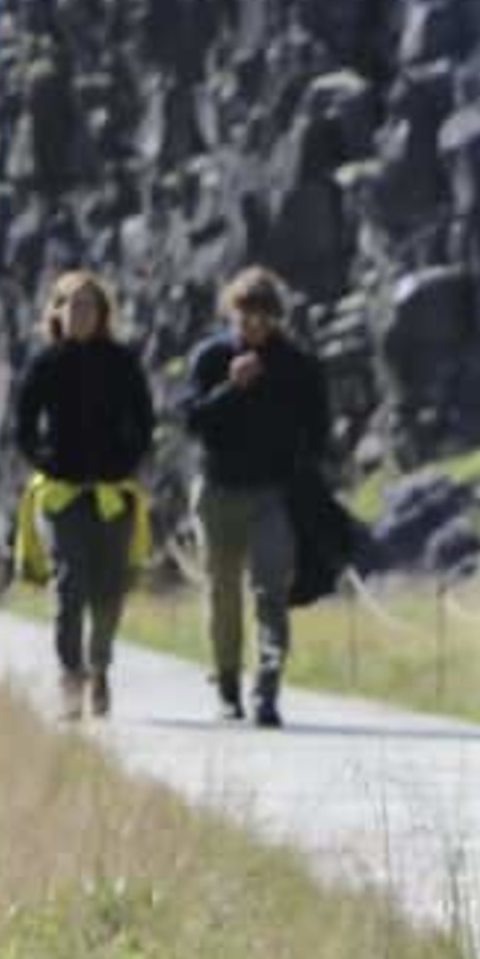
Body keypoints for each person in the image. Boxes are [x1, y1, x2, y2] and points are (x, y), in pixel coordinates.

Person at [183, 266, 331, 727]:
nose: (254, 324)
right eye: (245, 314)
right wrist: (232, 387)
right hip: (217, 492)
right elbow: (191, 421)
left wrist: (299, 473)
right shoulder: (211, 357)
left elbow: (319, 430)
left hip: (271, 495)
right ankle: (228, 688)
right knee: (223, 593)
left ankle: (267, 689)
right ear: (232, 313)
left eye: (264, 315)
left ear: (276, 316)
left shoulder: (297, 365)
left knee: (270, 593)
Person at [11, 270, 158, 720]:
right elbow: (23, 424)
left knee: (110, 588)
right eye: (72, 306)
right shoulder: (45, 364)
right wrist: (44, 461)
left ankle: (101, 668)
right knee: (70, 582)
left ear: (103, 314)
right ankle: (70, 676)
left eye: (89, 306)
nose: (80, 314)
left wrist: (127, 462)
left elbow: (145, 420)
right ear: (57, 312)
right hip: (60, 494)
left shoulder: (122, 362)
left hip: (113, 492)